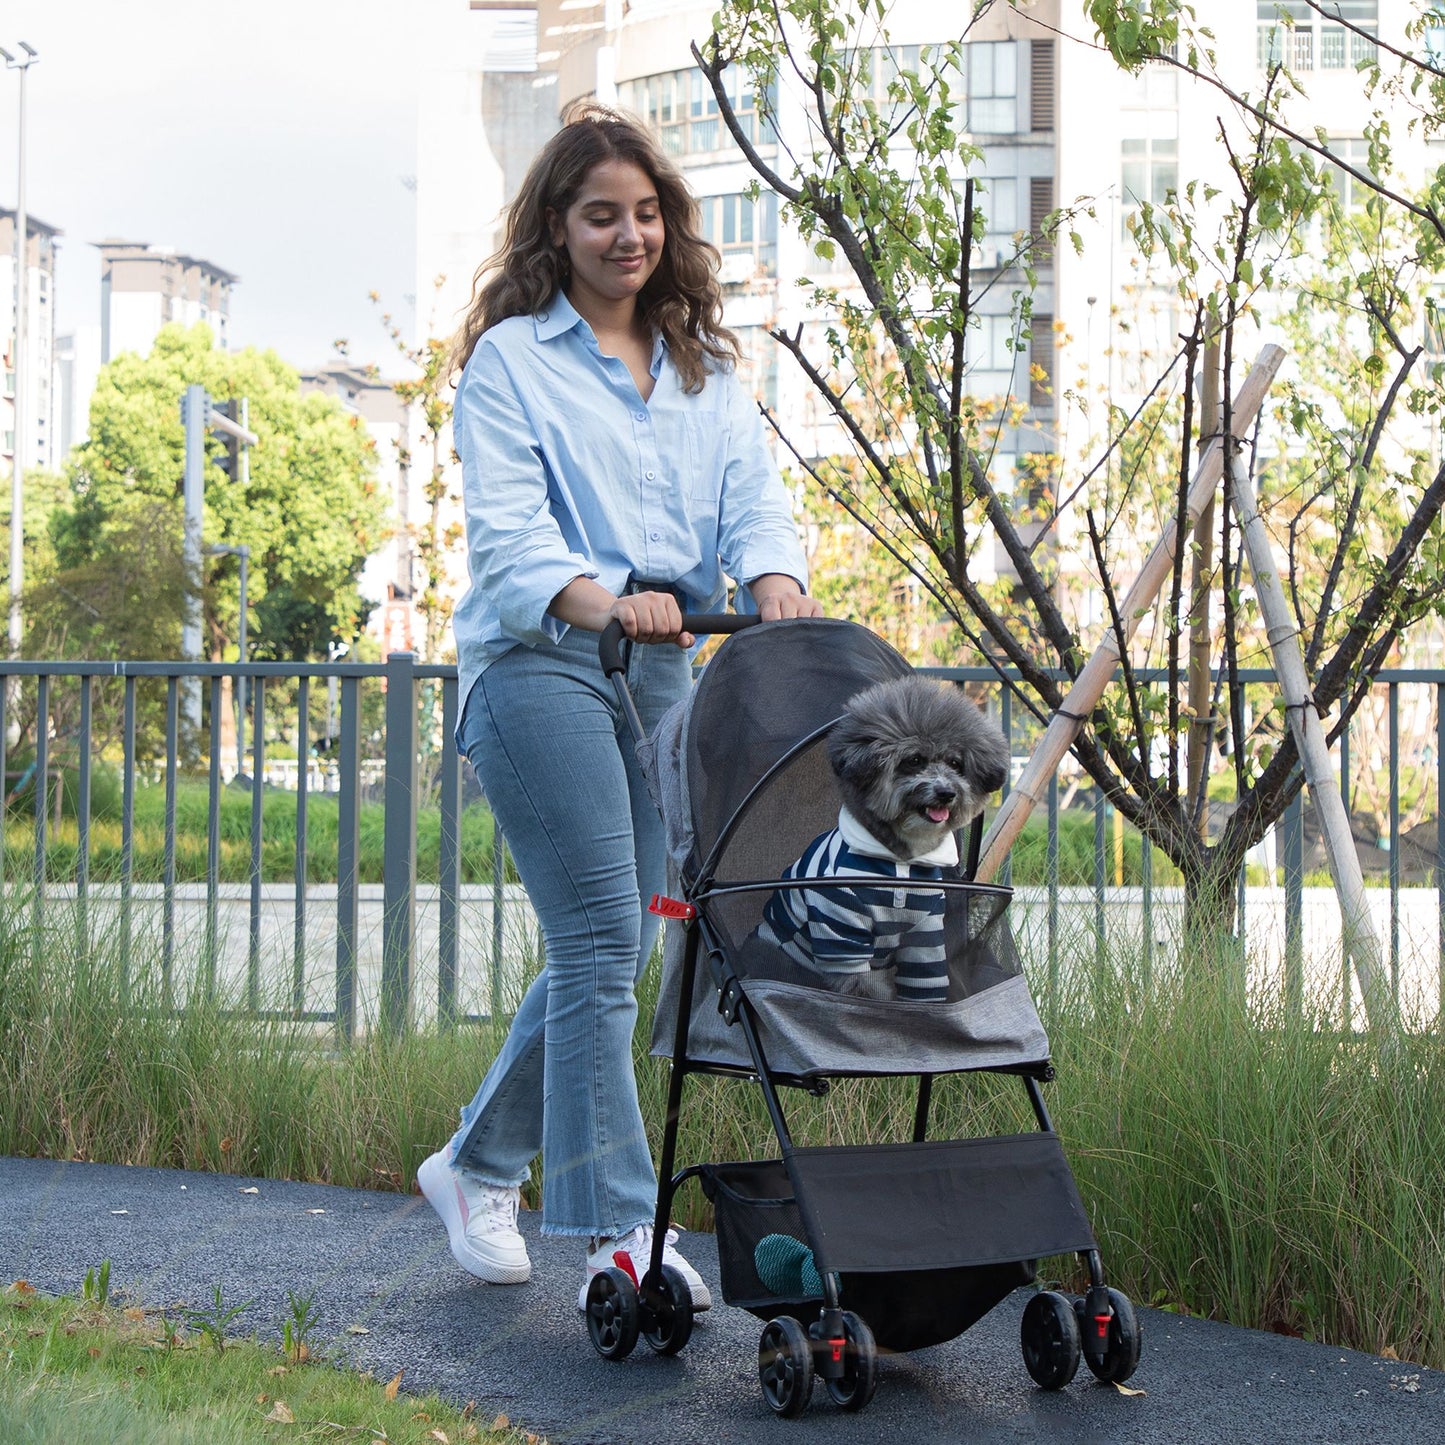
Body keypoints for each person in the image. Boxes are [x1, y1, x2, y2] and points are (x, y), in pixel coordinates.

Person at [417, 103, 821, 1311]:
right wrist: (607, 600)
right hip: (538, 662)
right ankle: (615, 1234)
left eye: (645, 213)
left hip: (662, 674)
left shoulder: (704, 367)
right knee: (600, 935)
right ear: (558, 224)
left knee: (627, 944)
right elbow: (508, 543)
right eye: (601, 214)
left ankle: (476, 1161)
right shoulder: (510, 362)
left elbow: (751, 501)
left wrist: (778, 586)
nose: (627, 234)